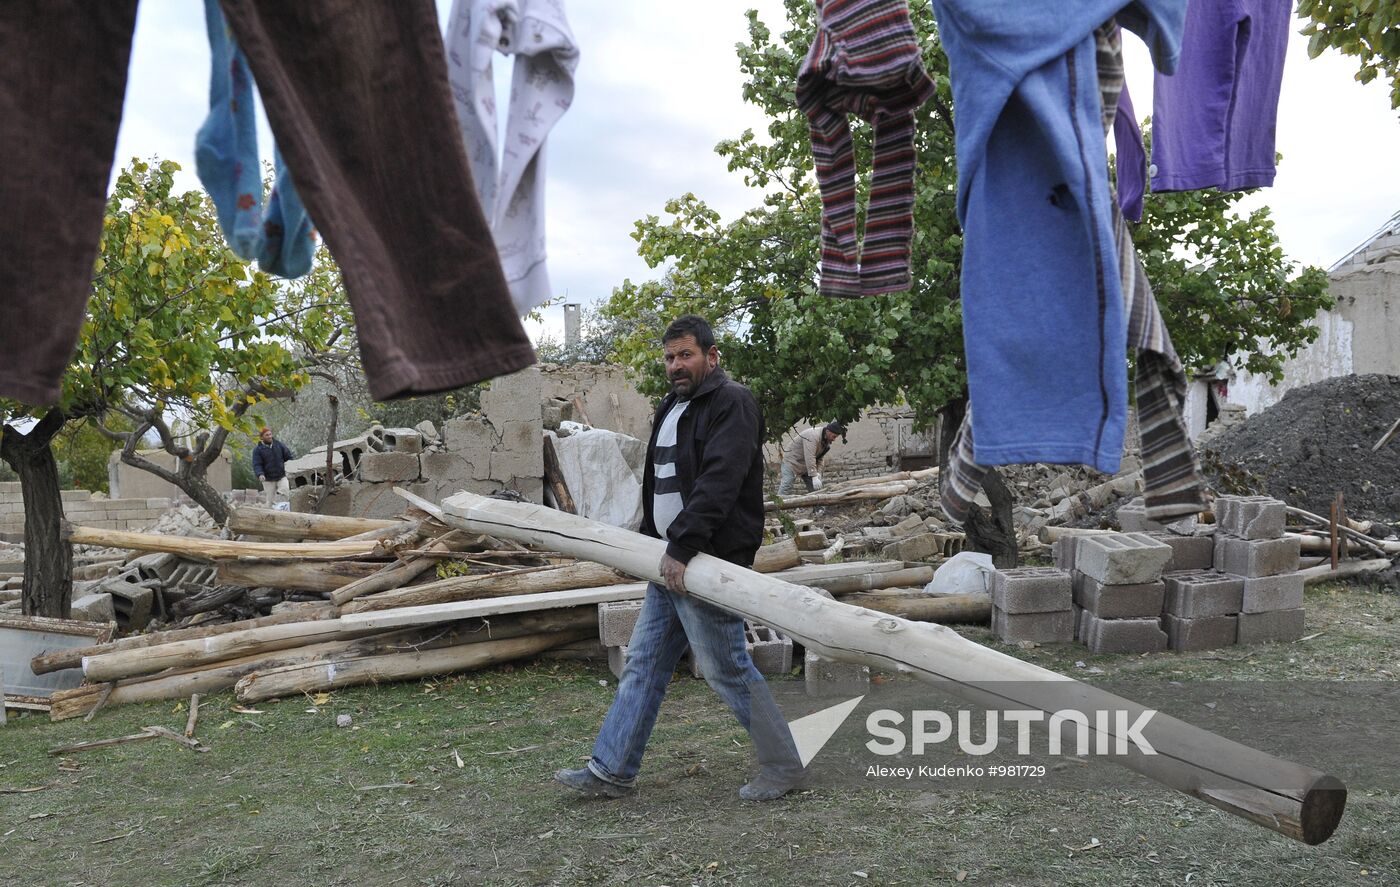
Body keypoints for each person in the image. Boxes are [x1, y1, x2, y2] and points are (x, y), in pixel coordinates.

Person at [554, 314, 807, 802]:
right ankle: (611, 770)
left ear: (712, 357)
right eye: (670, 357)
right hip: (672, 560)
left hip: (707, 562)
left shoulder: (731, 402)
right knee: (645, 664)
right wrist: (653, 544)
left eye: (686, 355)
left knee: (726, 666)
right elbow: (662, 481)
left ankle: (784, 763)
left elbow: (720, 480)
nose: (676, 365)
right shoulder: (672, 405)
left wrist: (682, 546)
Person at [778, 421, 846, 497]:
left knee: (816, 489)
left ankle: (819, 508)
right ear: (828, 431)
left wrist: (818, 473)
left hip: (807, 465)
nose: (834, 439)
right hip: (792, 461)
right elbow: (809, 456)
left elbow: (820, 459)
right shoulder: (813, 436)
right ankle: (777, 508)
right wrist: (814, 475)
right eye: (834, 436)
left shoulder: (826, 442)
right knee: (787, 484)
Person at [251, 427, 294, 507]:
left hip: (281, 476)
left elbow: (289, 457)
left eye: (270, 434)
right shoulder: (258, 450)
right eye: (267, 435)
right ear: (261, 437)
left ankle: (284, 511)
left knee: (285, 492)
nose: (270, 436)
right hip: (268, 479)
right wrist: (260, 474)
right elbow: (257, 464)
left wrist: (290, 468)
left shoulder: (279, 445)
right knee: (270, 501)